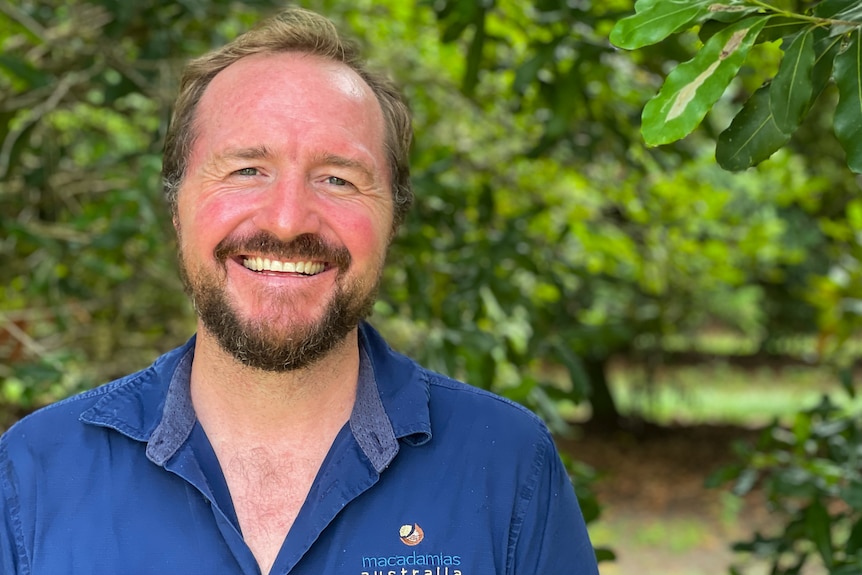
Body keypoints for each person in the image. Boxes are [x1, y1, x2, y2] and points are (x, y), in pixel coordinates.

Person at [0, 7, 599, 575]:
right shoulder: (31, 474)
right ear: (177, 206)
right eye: (246, 170)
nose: (288, 221)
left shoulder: (511, 466)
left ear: (394, 219)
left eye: (338, 178)